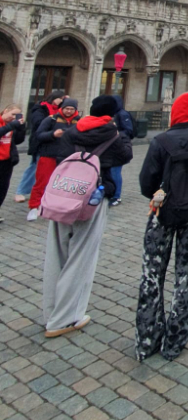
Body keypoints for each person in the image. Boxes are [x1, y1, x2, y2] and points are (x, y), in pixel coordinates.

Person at [135, 93, 188, 361]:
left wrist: (162, 192)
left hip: (161, 213)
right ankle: (175, 341)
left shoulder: (159, 140)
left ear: (174, 115)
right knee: (185, 275)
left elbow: (145, 182)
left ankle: (147, 340)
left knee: (151, 275)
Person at [42, 95, 133, 338]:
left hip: (64, 195)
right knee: (81, 257)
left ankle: (50, 313)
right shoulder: (111, 134)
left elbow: (60, 158)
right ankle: (64, 319)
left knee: (56, 255)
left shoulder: (72, 132)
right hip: (93, 197)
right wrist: (122, 134)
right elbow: (125, 156)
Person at [27, 98, 80, 221]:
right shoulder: (51, 119)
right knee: (41, 182)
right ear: (62, 108)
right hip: (49, 155)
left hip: (68, 157)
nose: (69, 111)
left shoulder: (79, 121)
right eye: (66, 108)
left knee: (64, 185)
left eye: (71, 109)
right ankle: (34, 207)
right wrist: (53, 134)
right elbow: (39, 135)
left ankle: (57, 207)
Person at [13, 89, 65, 203]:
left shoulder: (62, 111)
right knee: (34, 167)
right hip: (40, 142)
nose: (62, 102)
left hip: (54, 143)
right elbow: (37, 123)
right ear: (54, 98)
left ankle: (45, 192)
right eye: (61, 99)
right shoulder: (40, 108)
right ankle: (21, 191)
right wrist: (52, 120)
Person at [0, 106, 26, 223]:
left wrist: (21, 128)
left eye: (16, 116)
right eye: (12, 114)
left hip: (6, 161)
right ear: (6, 111)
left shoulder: (11, 125)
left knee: (3, 188)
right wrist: (11, 125)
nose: (13, 118)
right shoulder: (8, 125)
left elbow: (18, 140)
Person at [110, 95, 135, 205]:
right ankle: (111, 194)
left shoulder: (122, 114)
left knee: (115, 172)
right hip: (111, 145)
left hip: (119, 146)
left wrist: (116, 133)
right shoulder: (112, 114)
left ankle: (116, 196)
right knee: (110, 172)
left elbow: (128, 130)